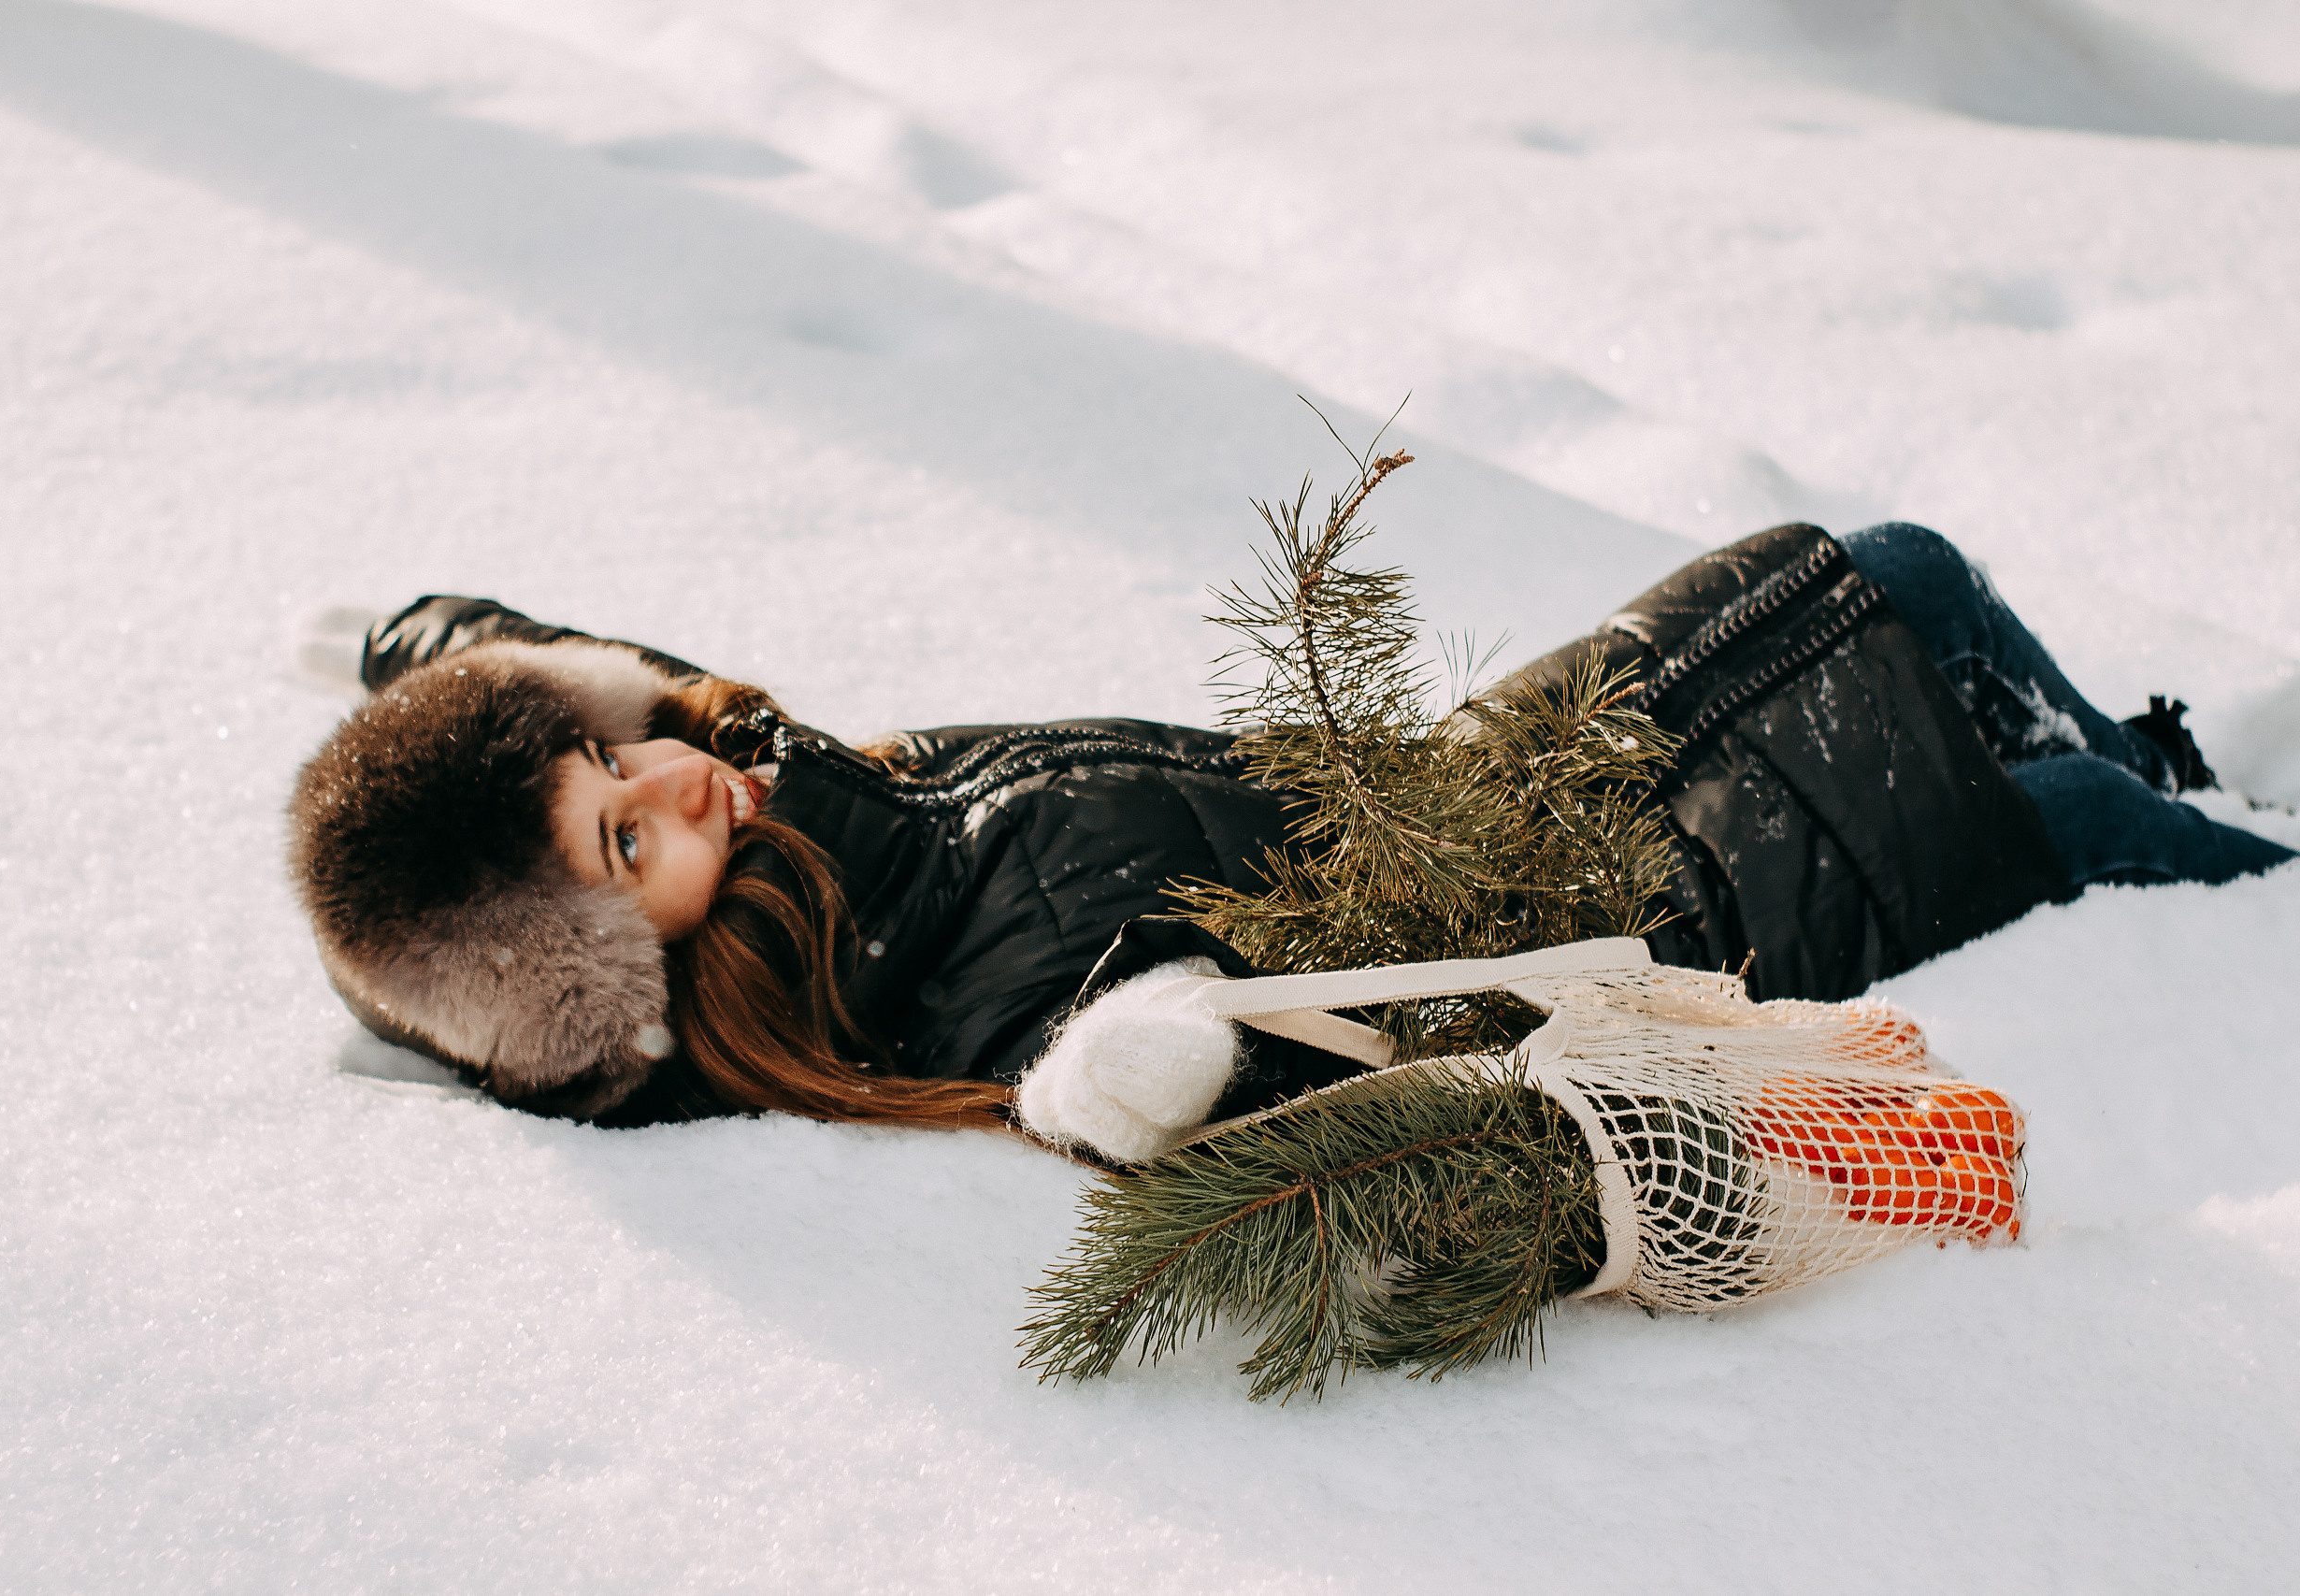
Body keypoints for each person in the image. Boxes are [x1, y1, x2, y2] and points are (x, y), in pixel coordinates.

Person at [286, 524, 2291, 1154]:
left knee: (1881, 576)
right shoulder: (897, 982)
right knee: (2055, 819)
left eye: (612, 765)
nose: (676, 790)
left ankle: (2166, 779)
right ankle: (2232, 880)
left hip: (1467, 781)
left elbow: (661, 709)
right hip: (1644, 911)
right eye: (625, 842)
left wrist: (452, 658)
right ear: (624, 977)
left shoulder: (802, 809)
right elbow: (1194, 1064)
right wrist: (1138, 1068)